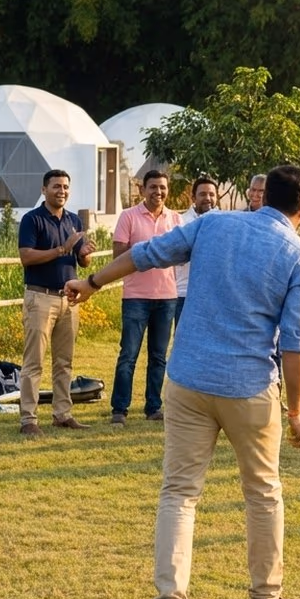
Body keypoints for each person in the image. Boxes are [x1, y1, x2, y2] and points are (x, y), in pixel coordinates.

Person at [64, 165, 300, 599]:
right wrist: (297, 412)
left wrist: (92, 282)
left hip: (188, 380)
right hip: (249, 388)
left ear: (262, 195)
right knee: (263, 493)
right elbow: (296, 344)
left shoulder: (213, 223)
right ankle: (266, 595)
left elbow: (146, 255)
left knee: (179, 493)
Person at [16, 169, 95, 437]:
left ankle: (63, 414)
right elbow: (26, 257)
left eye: (65, 187)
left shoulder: (73, 220)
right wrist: (63, 248)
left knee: (64, 362)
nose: (62, 191)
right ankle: (28, 419)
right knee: (34, 362)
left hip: (68, 299)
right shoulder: (32, 220)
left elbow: (82, 261)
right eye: (56, 186)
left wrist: (84, 253)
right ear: (44, 190)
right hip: (40, 297)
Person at [110, 169, 181, 424]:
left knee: (158, 357)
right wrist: (150, 255)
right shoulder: (128, 216)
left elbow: (181, 253)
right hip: (136, 296)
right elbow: (118, 255)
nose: (158, 192)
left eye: (162, 187)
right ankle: (119, 409)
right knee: (128, 355)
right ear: (143, 190)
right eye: (153, 187)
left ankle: (153, 407)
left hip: (167, 296)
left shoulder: (175, 219)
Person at [174, 176, 217, 327]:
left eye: (211, 194)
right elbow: (177, 256)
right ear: (193, 198)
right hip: (185, 294)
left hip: (214, 295)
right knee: (183, 336)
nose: (208, 198)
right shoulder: (181, 222)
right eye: (203, 194)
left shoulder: (225, 222)